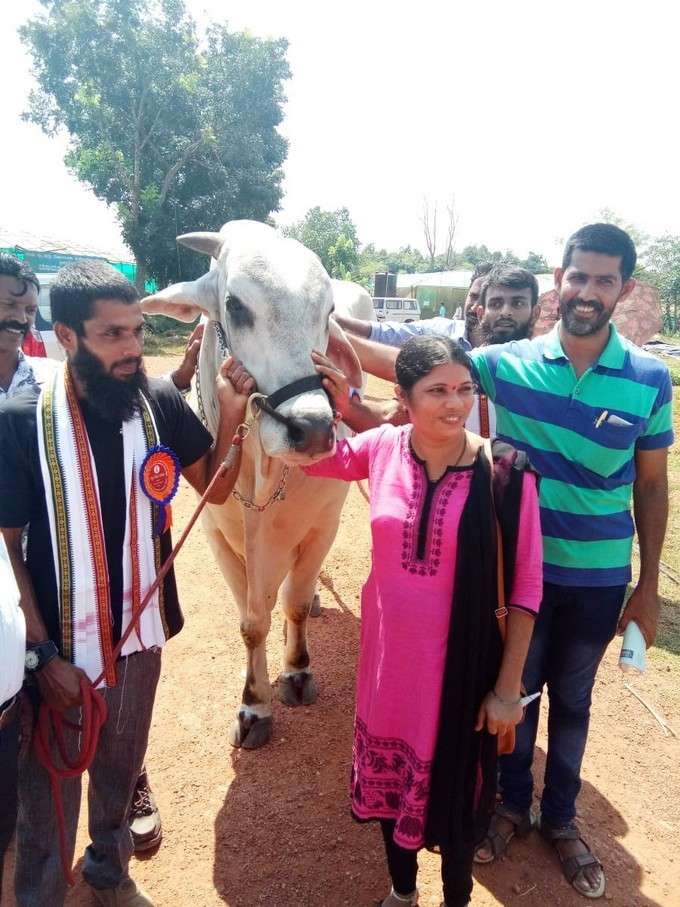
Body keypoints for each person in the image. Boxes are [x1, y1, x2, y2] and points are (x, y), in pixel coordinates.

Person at [328, 224, 673, 900]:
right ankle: (510, 808)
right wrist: (330, 334)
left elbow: (653, 484)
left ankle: (563, 819)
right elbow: (415, 367)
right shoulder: (508, 362)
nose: (588, 291)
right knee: (511, 698)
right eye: (578, 277)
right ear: (559, 278)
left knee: (573, 699)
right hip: (511, 576)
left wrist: (648, 584)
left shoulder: (650, 378)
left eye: (605, 280)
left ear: (623, 289)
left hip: (598, 576)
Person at [0, 261, 254, 907]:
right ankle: (41, 897)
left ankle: (110, 878)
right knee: (48, 797)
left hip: (140, 634)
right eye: (112, 334)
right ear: (65, 335)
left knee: (119, 769)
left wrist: (228, 409)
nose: (132, 348)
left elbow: (217, 487)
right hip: (55, 649)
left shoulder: (159, 402)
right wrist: (41, 656)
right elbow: (5, 553)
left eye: (137, 331)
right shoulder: (19, 419)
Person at [305, 336, 543, 907]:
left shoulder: (506, 471)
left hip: (463, 677)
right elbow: (312, 456)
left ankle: (456, 899)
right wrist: (309, 402)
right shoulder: (381, 447)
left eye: (464, 389)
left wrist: (508, 690)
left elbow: (528, 587)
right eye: (437, 390)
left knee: (462, 803)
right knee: (391, 795)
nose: (454, 403)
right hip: (389, 675)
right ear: (403, 396)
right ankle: (403, 891)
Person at [330, 265, 540, 438]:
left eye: (518, 303)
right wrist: (345, 405)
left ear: (535, 311)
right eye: (496, 303)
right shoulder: (475, 363)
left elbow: (427, 371)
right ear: (480, 311)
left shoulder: (550, 370)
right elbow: (389, 416)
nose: (506, 312)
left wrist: (330, 335)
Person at [334, 263, 493, 350]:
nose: (475, 307)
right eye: (473, 296)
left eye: (488, 301)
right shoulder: (440, 330)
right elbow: (391, 333)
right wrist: (337, 320)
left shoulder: (512, 358)